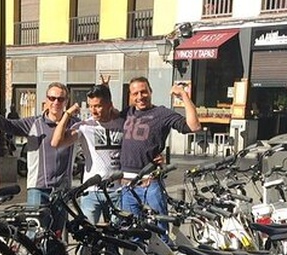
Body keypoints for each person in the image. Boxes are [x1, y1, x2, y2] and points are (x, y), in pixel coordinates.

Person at [0, 83, 77, 234]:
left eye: (60, 99)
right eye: (52, 98)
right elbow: (7, 125)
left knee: (56, 238)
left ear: (66, 102)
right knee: (34, 235)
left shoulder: (74, 124)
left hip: (62, 190)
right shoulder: (34, 123)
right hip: (38, 188)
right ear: (46, 100)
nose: (56, 102)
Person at [120, 77, 200, 228]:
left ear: (150, 91)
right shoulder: (127, 113)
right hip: (127, 185)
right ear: (130, 96)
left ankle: (164, 252)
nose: (140, 97)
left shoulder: (161, 113)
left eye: (143, 92)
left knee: (161, 230)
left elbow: (194, 126)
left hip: (150, 183)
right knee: (132, 233)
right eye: (135, 93)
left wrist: (184, 96)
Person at [51, 83, 124, 225]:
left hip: (117, 192)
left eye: (98, 106)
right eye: (91, 106)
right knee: (88, 238)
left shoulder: (122, 124)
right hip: (91, 192)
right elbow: (56, 142)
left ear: (110, 105)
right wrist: (67, 114)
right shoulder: (84, 126)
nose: (93, 111)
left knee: (116, 238)